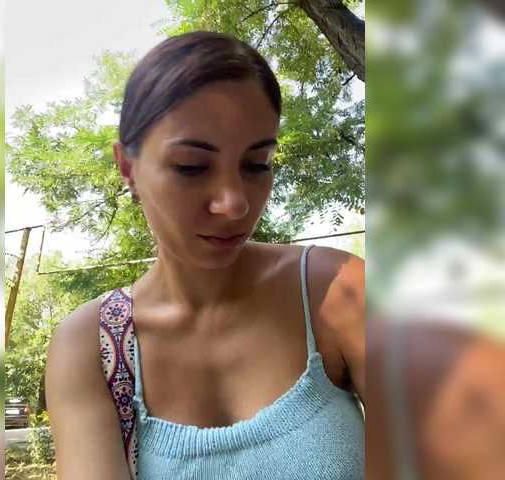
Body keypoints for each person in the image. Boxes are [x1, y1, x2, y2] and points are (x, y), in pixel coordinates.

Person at [46, 31, 365, 479]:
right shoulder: (91, 348)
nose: (234, 203)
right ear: (128, 168)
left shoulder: (335, 293)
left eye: (257, 165)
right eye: (191, 167)